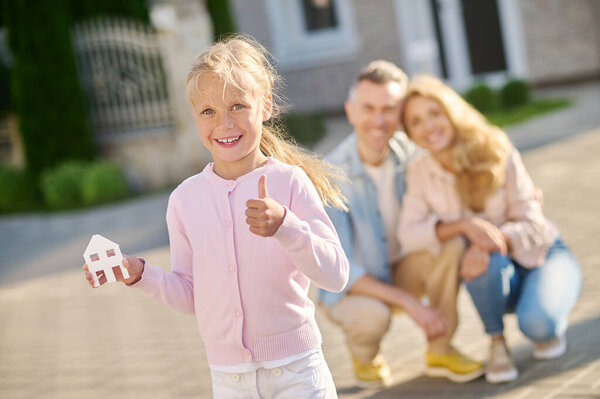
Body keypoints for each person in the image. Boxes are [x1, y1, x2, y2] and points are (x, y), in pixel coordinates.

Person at [83, 35, 350, 398]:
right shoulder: (184, 200)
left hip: (298, 371)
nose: (224, 123)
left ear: (266, 106)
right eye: (208, 111)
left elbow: (335, 275)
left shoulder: (289, 181)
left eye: (238, 105)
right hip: (230, 380)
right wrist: (141, 274)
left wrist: (286, 227)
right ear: (194, 117)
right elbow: (191, 294)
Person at [398, 75, 582, 384]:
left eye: (434, 113)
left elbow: (534, 224)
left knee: (539, 326)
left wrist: (485, 241)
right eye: (416, 121)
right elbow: (408, 234)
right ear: (410, 133)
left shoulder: (495, 145)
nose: (428, 126)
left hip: (543, 254)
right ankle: (497, 342)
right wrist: (465, 226)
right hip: (494, 270)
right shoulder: (420, 171)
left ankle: (544, 310)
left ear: (451, 111)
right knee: (479, 261)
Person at [319, 60, 484, 387]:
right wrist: (409, 303)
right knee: (373, 319)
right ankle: (364, 352)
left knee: (450, 244)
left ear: (402, 115)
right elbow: (341, 268)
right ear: (351, 112)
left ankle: (440, 348)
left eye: (389, 109)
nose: (379, 121)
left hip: (403, 268)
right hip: (354, 288)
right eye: (368, 108)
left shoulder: (413, 155)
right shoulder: (330, 174)